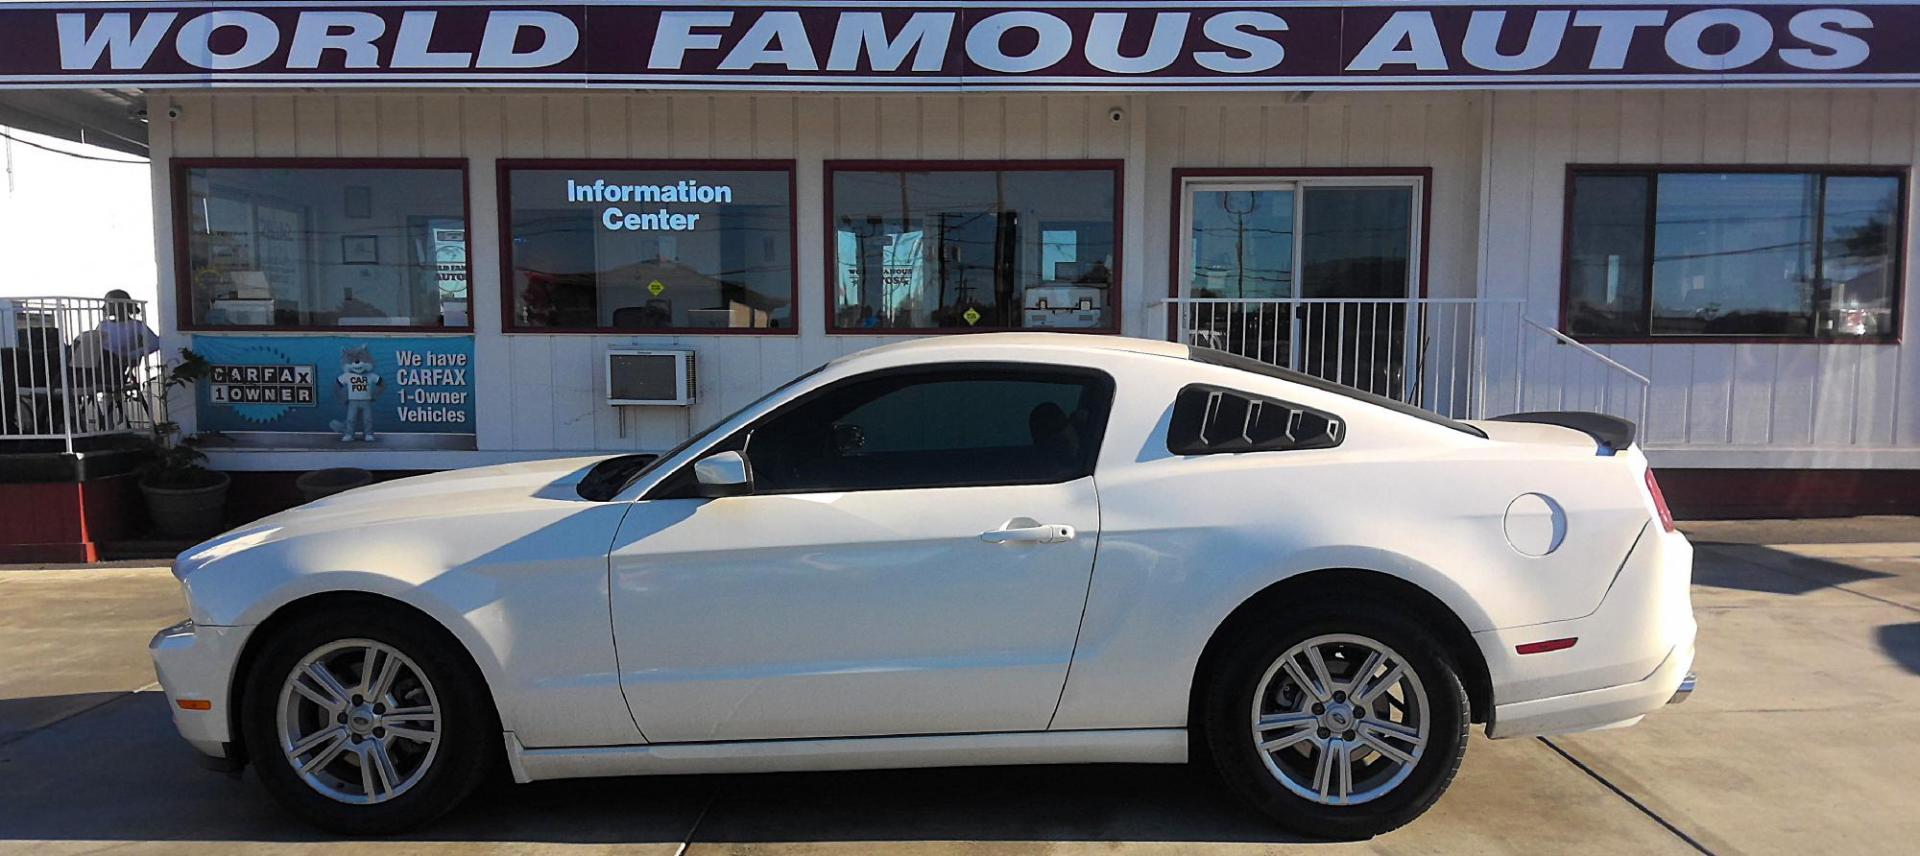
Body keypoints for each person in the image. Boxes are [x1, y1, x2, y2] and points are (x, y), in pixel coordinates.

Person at [98, 289, 159, 361]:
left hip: (118, 364)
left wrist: (131, 355)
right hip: (100, 362)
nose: (104, 307)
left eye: (109, 302)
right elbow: (93, 343)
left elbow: (155, 343)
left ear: (120, 304)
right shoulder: (103, 325)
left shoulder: (136, 325)